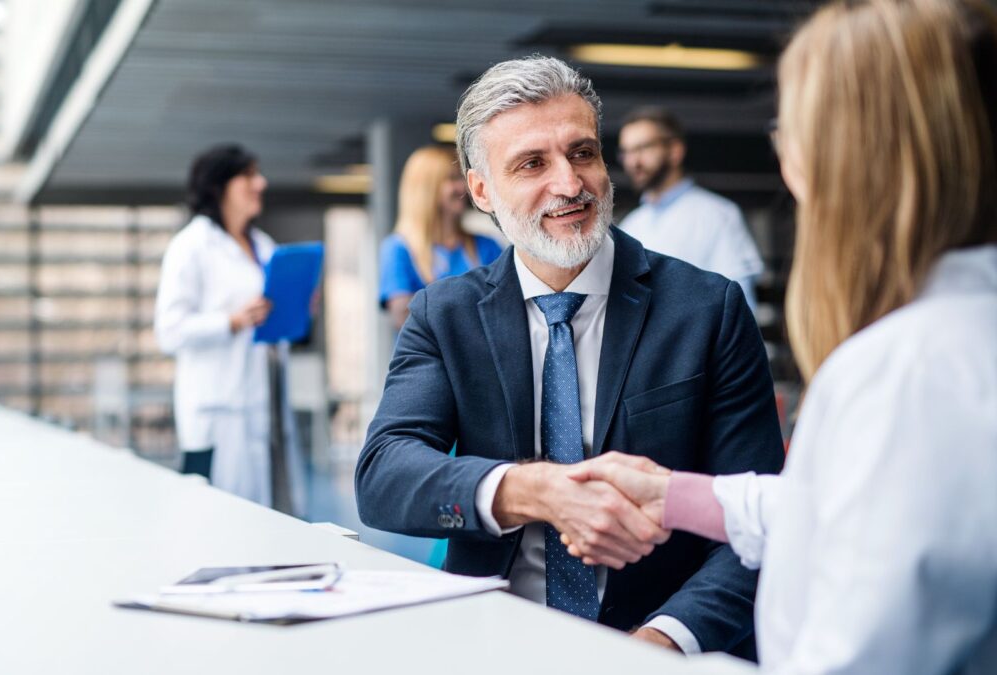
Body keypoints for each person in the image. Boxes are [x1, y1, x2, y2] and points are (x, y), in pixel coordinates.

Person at [565, 1, 997, 672]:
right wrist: (680, 494)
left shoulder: (904, 372)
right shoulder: (950, 340)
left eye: (789, 129)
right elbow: (862, 512)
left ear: (846, 156)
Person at [355, 56, 785, 656]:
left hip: (659, 640)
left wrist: (661, 643)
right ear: (481, 190)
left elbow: (757, 521)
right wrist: (533, 491)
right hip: (492, 641)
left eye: (582, 153)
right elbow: (384, 476)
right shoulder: (444, 315)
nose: (569, 183)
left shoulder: (707, 310)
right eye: (532, 163)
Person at [154, 144, 303, 512]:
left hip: (265, 405)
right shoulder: (191, 246)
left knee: (274, 515)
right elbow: (169, 331)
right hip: (220, 411)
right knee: (220, 518)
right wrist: (232, 321)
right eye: (249, 175)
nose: (261, 183)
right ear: (220, 185)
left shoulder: (263, 245)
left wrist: (296, 306)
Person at [616, 106, 765, 311]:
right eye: (627, 152)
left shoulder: (719, 215)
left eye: (643, 148)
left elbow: (740, 305)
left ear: (675, 151)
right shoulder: (631, 225)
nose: (634, 161)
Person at [379, 145, 504, 329]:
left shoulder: (487, 246)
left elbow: (506, 307)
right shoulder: (398, 249)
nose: (463, 186)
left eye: (462, 177)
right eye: (452, 178)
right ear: (427, 189)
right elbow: (405, 318)